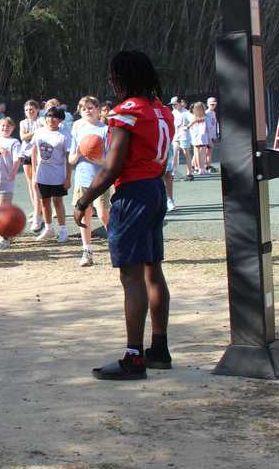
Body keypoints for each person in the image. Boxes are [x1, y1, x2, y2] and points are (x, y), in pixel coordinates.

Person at [73, 50, 173, 380]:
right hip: (156, 189)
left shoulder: (126, 111)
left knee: (131, 276)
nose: (111, 82)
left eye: (114, 77)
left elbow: (112, 165)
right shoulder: (161, 110)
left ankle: (134, 358)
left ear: (124, 78)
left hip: (134, 193)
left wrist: (84, 199)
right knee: (152, 270)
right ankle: (159, 349)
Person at [68, 96, 110, 266]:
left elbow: (109, 161)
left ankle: (116, 245)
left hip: (100, 180)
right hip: (82, 178)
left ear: (99, 110)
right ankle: (87, 251)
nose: (88, 111)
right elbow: (71, 160)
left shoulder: (106, 130)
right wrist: (79, 153)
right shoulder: (78, 130)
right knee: (84, 215)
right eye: (84, 108)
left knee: (103, 215)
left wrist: (96, 157)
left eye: (91, 107)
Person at [31, 106, 72, 243]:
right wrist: (34, 174)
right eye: (48, 116)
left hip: (58, 174)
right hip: (42, 174)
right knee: (44, 202)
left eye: (54, 117)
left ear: (60, 119)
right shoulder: (39, 132)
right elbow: (34, 152)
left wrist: (68, 178)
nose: (51, 119)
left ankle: (63, 231)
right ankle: (48, 229)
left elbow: (68, 158)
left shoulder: (65, 135)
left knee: (57, 201)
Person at [0, 117, 21, 251]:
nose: (5, 128)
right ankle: (4, 233)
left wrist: (12, 173)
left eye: (8, 126)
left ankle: (5, 239)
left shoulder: (14, 142)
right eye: (3, 125)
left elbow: (18, 159)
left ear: (12, 128)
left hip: (5, 182)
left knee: (3, 211)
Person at [19, 100, 44, 232]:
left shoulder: (42, 120)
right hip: (26, 154)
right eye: (27, 110)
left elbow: (43, 133)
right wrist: (35, 133)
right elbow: (23, 137)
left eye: (32, 109)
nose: (29, 111)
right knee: (30, 184)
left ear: (37, 110)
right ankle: (36, 211)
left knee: (37, 184)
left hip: (40, 155)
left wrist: (32, 134)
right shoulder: (23, 123)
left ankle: (40, 214)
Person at [170, 96, 194, 184]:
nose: (173, 106)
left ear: (180, 103)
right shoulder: (173, 112)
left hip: (184, 136)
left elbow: (194, 119)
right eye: (172, 105)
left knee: (186, 153)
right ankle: (173, 173)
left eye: (175, 104)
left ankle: (190, 174)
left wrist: (187, 126)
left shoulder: (186, 112)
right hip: (176, 136)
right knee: (174, 153)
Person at [188, 101, 210, 174]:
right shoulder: (205, 117)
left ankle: (199, 168)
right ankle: (202, 169)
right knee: (202, 153)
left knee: (197, 154)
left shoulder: (192, 116)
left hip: (195, 138)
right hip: (202, 137)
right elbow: (208, 128)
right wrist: (210, 139)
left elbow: (188, 127)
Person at [205, 96, 219, 173]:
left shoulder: (213, 113)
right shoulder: (206, 113)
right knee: (206, 152)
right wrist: (210, 138)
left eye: (214, 104)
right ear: (208, 104)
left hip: (212, 136)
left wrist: (215, 135)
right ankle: (200, 166)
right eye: (211, 104)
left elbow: (214, 125)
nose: (213, 106)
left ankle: (207, 165)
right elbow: (207, 127)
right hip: (207, 137)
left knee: (209, 151)